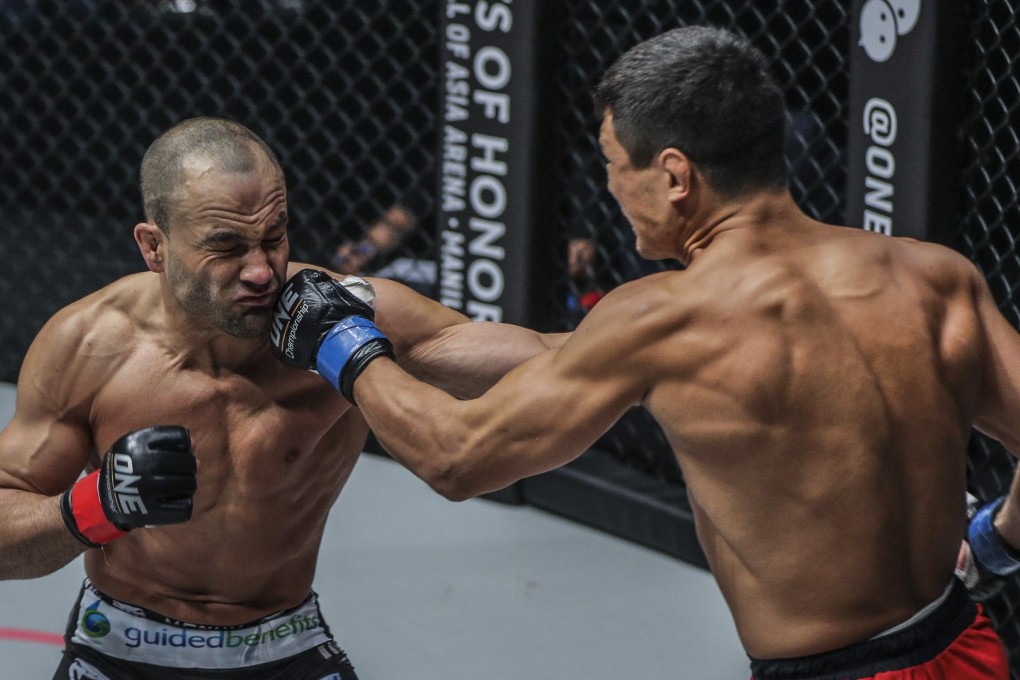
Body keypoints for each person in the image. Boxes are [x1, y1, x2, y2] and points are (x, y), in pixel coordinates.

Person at [272, 26, 1015, 678]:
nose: (609, 186)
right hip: (964, 644)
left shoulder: (664, 319)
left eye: (611, 164)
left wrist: (342, 348)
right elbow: (558, 353)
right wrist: (996, 545)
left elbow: (457, 457)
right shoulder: (936, 278)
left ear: (672, 175)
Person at [0, 116, 562, 679]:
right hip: (119, 647)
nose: (261, 271)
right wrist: (98, 505)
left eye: (274, 237)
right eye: (226, 246)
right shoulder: (88, 346)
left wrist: (649, 335)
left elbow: (560, 365)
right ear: (154, 247)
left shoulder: (349, 315)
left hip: (284, 647)